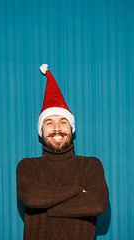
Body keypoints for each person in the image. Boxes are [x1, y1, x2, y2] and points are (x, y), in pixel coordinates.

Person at [16, 64, 109, 240]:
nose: (57, 129)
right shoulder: (27, 165)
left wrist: (45, 206)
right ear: (41, 131)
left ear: (72, 129)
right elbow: (30, 198)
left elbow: (98, 203)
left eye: (63, 122)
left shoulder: (91, 165)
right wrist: (77, 190)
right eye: (49, 122)